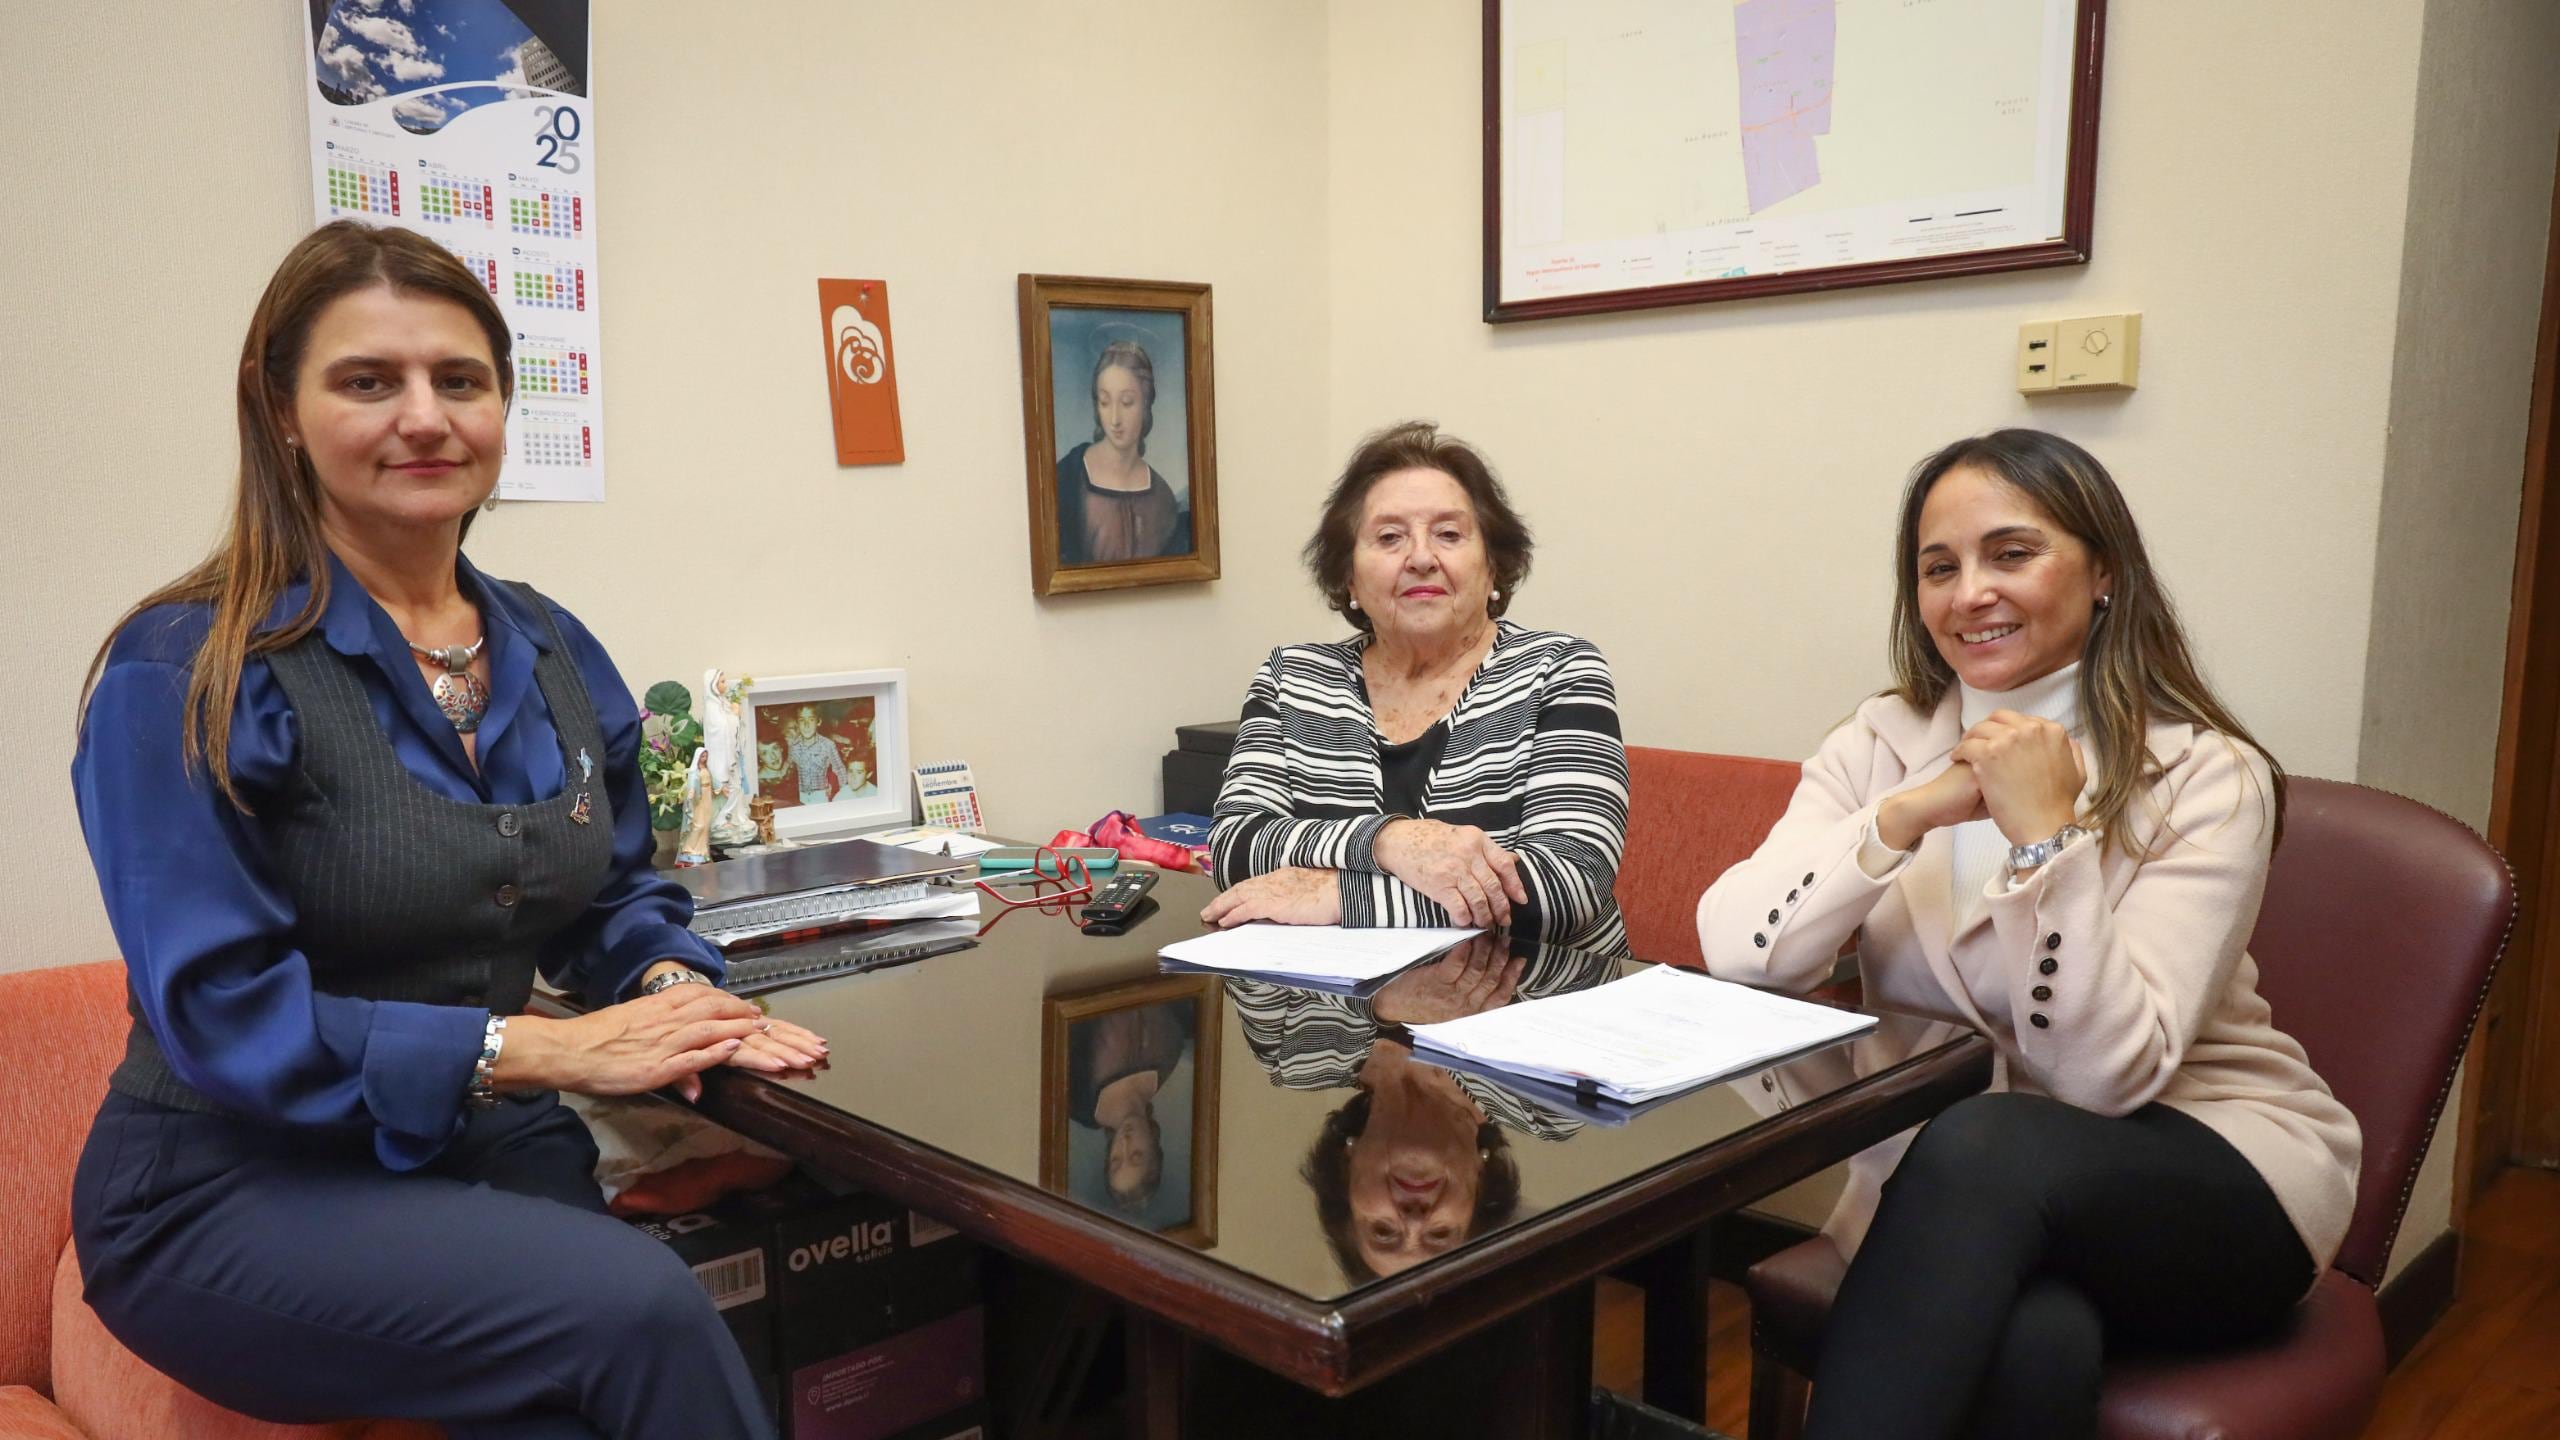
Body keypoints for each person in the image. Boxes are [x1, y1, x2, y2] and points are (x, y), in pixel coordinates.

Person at [69, 221, 828, 1440]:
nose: (424, 417)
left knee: (569, 1412)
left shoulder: (550, 642)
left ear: (499, 408)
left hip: (481, 1155)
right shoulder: (184, 670)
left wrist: (672, 980)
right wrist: (555, 1051)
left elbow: (617, 891)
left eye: (458, 381)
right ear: (281, 412)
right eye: (369, 381)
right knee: (641, 1309)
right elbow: (224, 1014)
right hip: (232, 1187)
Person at [1697, 429, 2360, 1439]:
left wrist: (2048, 837)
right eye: (1938, 567)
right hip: (1970, 1202)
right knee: (2030, 1343)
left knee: (1987, 1145)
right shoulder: (1879, 743)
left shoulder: (2203, 772)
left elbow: (2102, 1079)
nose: (1969, 593)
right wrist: (1902, 817)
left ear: (2102, 573)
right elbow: (1741, 950)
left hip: (2214, 1176)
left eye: (2011, 554)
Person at [1203, 421, 1629, 953]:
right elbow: (1235, 846)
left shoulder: (1559, 670)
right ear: (1349, 578)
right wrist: (1388, 842)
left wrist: (1342, 898)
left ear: (1494, 564)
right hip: (1334, 1015)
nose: (1422, 558)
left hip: (1526, 1007)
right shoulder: (1293, 679)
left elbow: (1570, 883)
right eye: (1389, 537)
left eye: (1449, 534)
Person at [1230, 936, 1615, 1279]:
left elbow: (1244, 936)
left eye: (1383, 1231)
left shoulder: (1293, 1055)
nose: (1414, 1220)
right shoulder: (1548, 1106)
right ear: (1480, 1189)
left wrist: (1384, 1001)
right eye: (1440, 1234)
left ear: (1346, 1171)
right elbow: (1585, 950)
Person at [1053, 336, 1192, 565]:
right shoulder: (1067, 477)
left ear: (1146, 404)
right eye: (1105, 402)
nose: (1115, 419)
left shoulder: (1162, 496)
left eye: (1127, 402)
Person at [1065, 1000, 1196, 1216]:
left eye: (1116, 1160)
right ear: (1154, 1149)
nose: (1125, 1143)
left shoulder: (1078, 1099)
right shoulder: (1169, 1057)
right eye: (1136, 1155)